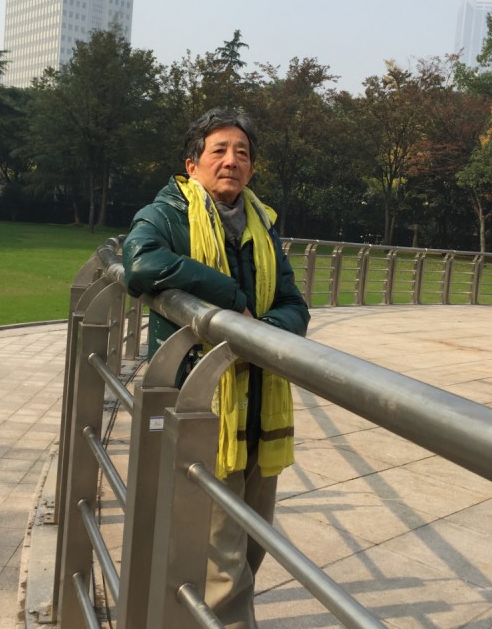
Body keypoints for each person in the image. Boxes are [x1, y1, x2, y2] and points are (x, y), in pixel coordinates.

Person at [122, 108, 310, 628]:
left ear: (252, 167)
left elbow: (295, 304)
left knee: (252, 541)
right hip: (204, 406)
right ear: (193, 164)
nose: (232, 160)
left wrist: (262, 331)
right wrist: (230, 298)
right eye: (219, 150)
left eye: (242, 152)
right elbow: (140, 263)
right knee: (223, 559)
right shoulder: (167, 214)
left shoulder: (262, 225)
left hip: (259, 408)